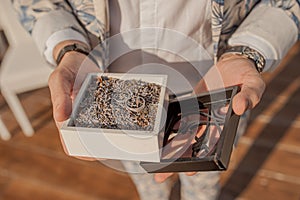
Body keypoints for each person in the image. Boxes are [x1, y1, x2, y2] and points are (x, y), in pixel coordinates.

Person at [14, 0, 299, 199]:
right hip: (116, 97)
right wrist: (68, 47)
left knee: (203, 179)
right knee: (146, 179)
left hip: (216, 86)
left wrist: (247, 50)